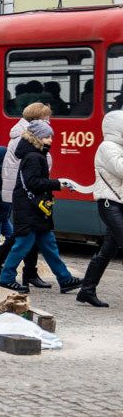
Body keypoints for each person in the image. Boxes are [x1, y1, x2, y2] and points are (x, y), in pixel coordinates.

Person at [0, 121, 82, 294]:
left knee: (49, 244)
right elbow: (33, 182)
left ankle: (65, 279)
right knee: (23, 244)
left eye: (51, 136)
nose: (50, 140)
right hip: (29, 209)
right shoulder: (34, 157)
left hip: (34, 208)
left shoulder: (34, 154)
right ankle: (6, 278)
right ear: (36, 138)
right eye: (46, 136)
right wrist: (58, 183)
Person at [0, 102, 51, 284]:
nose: (49, 121)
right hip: (26, 193)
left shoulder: (32, 136)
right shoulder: (22, 139)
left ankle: (24, 270)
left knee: (27, 232)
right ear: (37, 120)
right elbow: (19, 170)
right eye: (46, 118)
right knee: (25, 232)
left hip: (29, 192)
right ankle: (2, 263)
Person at [73, 111, 123, 307]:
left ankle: (86, 290)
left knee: (107, 250)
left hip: (119, 203)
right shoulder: (107, 147)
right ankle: (87, 290)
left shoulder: (118, 147)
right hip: (110, 203)